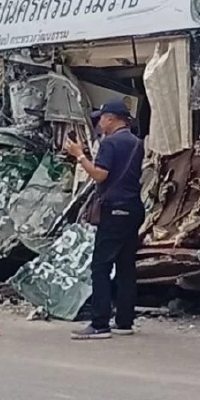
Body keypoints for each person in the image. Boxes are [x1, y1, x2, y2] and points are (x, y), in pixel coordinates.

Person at [62, 99, 145, 340]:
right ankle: (124, 321)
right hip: (134, 209)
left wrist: (79, 156)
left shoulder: (110, 144)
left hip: (115, 210)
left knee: (101, 265)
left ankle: (99, 323)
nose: (99, 123)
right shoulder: (136, 143)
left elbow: (100, 175)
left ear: (111, 118)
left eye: (101, 118)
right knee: (126, 265)